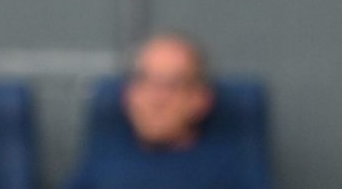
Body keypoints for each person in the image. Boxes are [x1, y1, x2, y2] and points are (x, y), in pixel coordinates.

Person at [63, 33, 271, 189]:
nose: (156, 98)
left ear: (201, 100)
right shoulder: (100, 164)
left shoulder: (232, 171)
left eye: (173, 85)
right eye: (145, 81)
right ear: (128, 94)